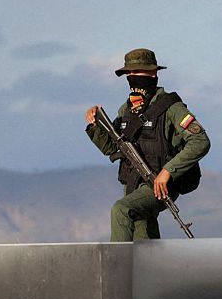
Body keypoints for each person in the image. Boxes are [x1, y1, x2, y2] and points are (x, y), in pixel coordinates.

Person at [85, 48, 210, 241]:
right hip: (133, 183)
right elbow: (111, 148)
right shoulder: (127, 110)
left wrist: (167, 172)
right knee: (144, 239)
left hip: (161, 183)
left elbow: (200, 141)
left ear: (153, 73)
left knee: (122, 209)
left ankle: (116, 262)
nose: (132, 77)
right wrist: (95, 125)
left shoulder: (170, 107)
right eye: (128, 73)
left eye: (137, 72)